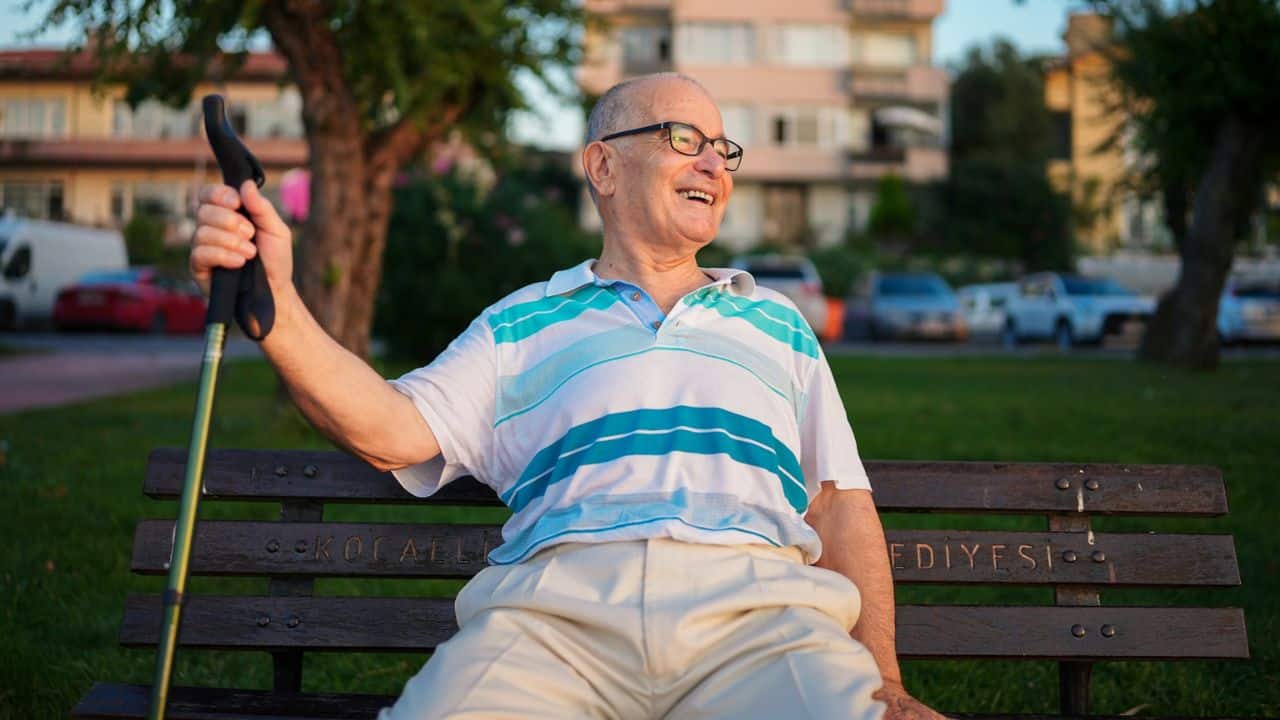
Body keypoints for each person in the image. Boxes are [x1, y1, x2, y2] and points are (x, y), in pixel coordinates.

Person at [190, 72, 945, 720]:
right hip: (554, 617)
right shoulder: (520, 322)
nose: (716, 163)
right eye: (686, 138)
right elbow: (392, 428)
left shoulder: (777, 323)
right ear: (604, 167)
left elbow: (840, 503)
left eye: (725, 150)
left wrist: (882, 675)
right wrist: (279, 308)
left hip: (761, 616)